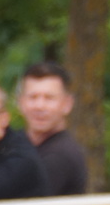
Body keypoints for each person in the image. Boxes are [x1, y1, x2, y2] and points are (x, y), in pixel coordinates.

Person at [18, 61, 88, 197]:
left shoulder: (61, 156)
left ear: (67, 104)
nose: (39, 106)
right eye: (32, 97)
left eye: (49, 98)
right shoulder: (16, 145)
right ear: (21, 102)